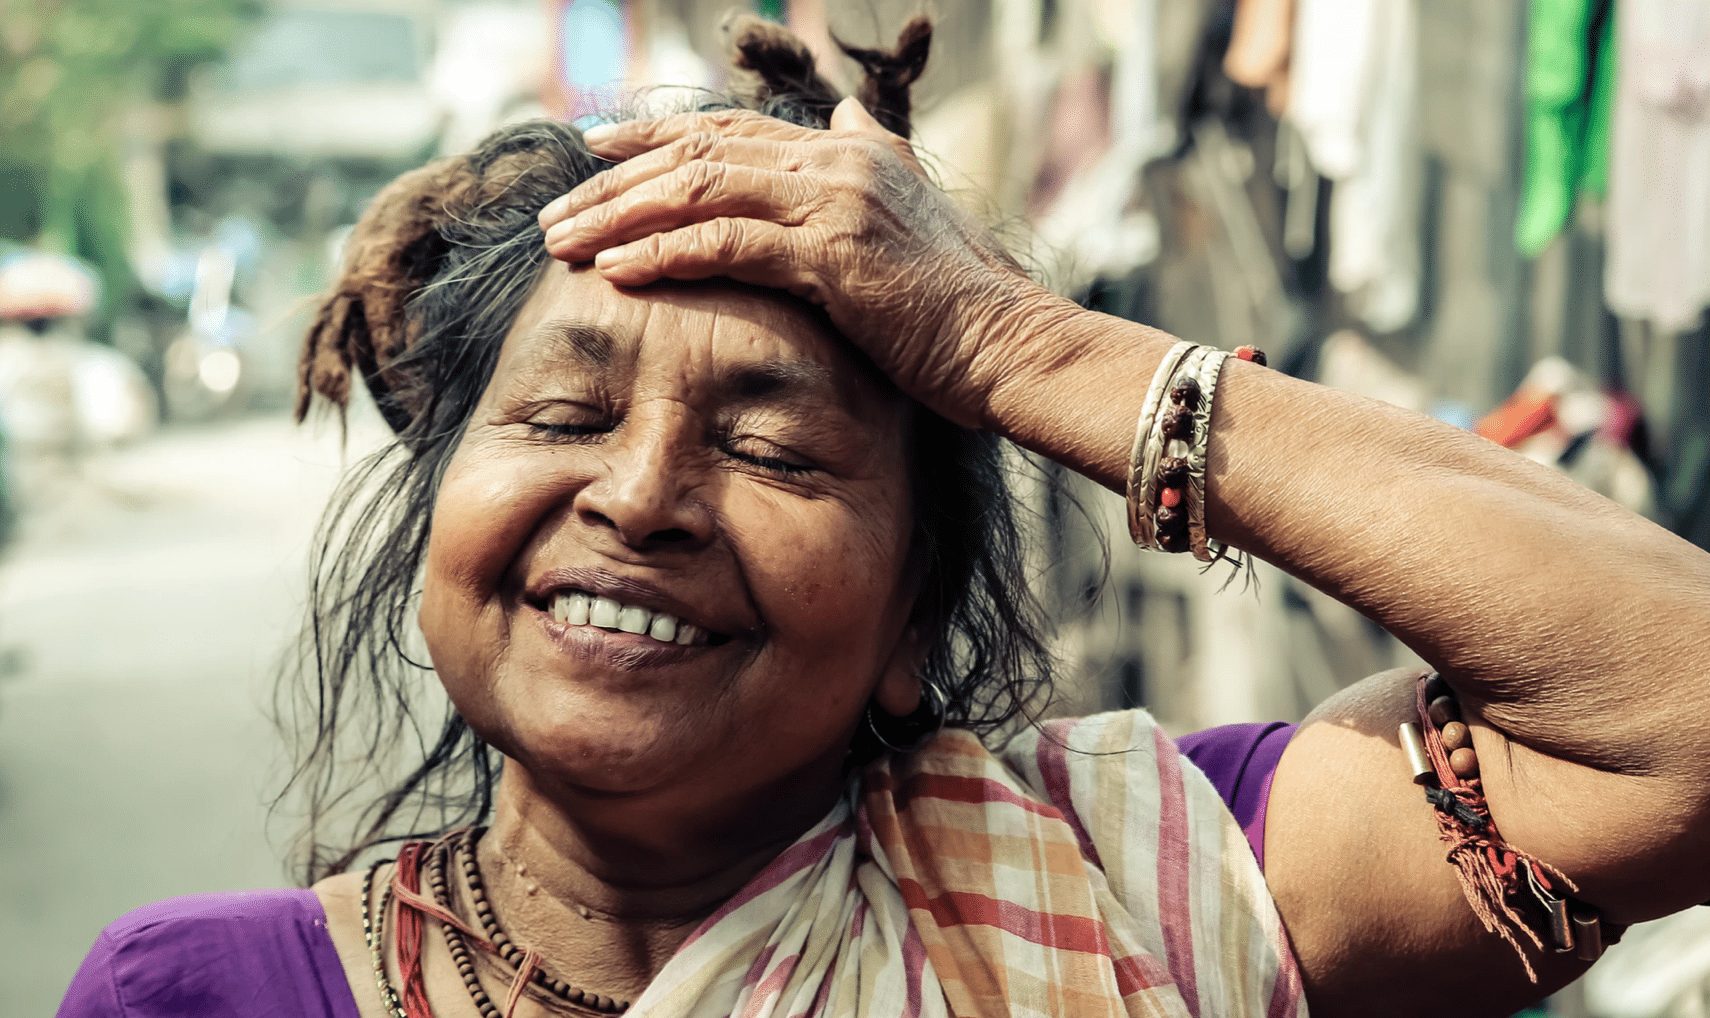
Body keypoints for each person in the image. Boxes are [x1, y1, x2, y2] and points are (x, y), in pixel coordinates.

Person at [57, 17, 1710, 1018]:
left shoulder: (1161, 884)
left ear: (914, 620)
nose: (637, 495)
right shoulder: (194, 991)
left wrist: (1022, 342)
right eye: (561, 413)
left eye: (775, 453)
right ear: (440, 520)